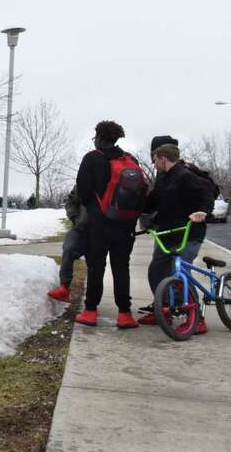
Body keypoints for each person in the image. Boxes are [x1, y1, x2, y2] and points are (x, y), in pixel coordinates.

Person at [73, 120, 147, 329]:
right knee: (121, 267)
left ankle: (90, 311)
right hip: (125, 225)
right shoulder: (130, 159)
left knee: (96, 267)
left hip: (99, 223)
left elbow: (83, 191)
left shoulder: (91, 158)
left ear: (98, 136)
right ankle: (124, 314)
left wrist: (95, 209)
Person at [136, 141, 216, 332]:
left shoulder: (185, 175)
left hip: (189, 233)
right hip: (168, 233)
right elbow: (153, 201)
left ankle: (196, 318)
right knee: (156, 271)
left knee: (179, 273)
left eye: (155, 160)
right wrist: (132, 211)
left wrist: (202, 212)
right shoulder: (163, 178)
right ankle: (163, 311)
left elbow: (207, 193)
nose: (153, 163)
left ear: (163, 159)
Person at [47, 187, 87, 302]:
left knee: (95, 264)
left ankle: (92, 302)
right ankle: (64, 287)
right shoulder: (84, 180)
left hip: (100, 230)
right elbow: (70, 201)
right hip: (80, 227)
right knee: (68, 249)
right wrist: (75, 218)